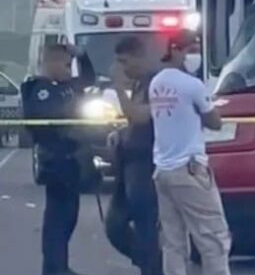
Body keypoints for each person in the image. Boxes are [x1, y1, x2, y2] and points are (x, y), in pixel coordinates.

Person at [148, 30, 231, 275]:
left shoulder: (157, 82)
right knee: (213, 238)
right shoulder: (191, 85)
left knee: (173, 242)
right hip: (189, 169)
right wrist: (215, 109)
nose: (194, 56)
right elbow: (214, 122)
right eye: (189, 50)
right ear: (174, 50)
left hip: (163, 169)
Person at [21, 44, 95, 275]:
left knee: (69, 217)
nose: (66, 70)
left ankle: (58, 266)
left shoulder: (69, 86)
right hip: (55, 161)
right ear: (51, 64)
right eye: (64, 65)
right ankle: (54, 268)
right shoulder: (39, 89)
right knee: (57, 220)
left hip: (73, 162)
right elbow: (45, 122)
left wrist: (82, 55)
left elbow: (88, 78)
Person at [104, 36, 162, 275]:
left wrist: (117, 86)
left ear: (139, 56)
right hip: (128, 162)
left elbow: (140, 116)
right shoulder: (139, 84)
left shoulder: (156, 84)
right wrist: (121, 133)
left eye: (124, 61)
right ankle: (151, 264)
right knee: (115, 226)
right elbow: (133, 122)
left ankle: (153, 268)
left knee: (145, 225)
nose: (122, 68)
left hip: (145, 162)